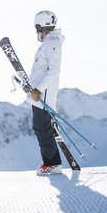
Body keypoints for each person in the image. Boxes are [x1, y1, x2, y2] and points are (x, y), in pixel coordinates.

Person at [24, 10, 65, 175]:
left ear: (42, 25)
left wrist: (39, 89)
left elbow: (54, 70)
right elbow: (40, 71)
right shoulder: (47, 44)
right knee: (40, 127)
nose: (37, 31)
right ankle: (51, 162)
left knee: (41, 127)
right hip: (39, 92)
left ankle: (53, 164)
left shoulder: (52, 42)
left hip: (44, 94)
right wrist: (30, 87)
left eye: (37, 27)